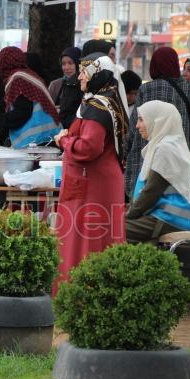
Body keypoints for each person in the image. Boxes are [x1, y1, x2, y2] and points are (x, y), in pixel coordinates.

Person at [54, 53, 128, 286]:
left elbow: (89, 148)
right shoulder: (102, 101)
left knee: (86, 241)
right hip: (97, 182)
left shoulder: (97, 107)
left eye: (85, 72)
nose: (80, 77)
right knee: (93, 239)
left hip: (93, 185)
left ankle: (81, 293)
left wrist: (64, 141)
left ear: (98, 74)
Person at [124, 47, 190, 197]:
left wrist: (125, 150)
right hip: (176, 160)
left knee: (143, 204)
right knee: (170, 203)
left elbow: (134, 126)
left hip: (144, 161)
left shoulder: (146, 89)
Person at [125, 100, 190, 243]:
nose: (137, 125)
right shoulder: (167, 145)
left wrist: (129, 215)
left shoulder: (166, 149)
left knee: (108, 230)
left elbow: (151, 191)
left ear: (157, 120)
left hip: (167, 219)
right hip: (163, 216)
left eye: (141, 119)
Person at [0, 47, 61, 148]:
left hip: (35, 141)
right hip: (49, 135)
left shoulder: (18, 79)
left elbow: (22, 112)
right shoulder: (29, 75)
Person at [48, 47, 83, 129]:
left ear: (78, 64)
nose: (66, 67)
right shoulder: (55, 85)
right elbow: (47, 109)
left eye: (70, 63)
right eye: (63, 64)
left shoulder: (84, 84)